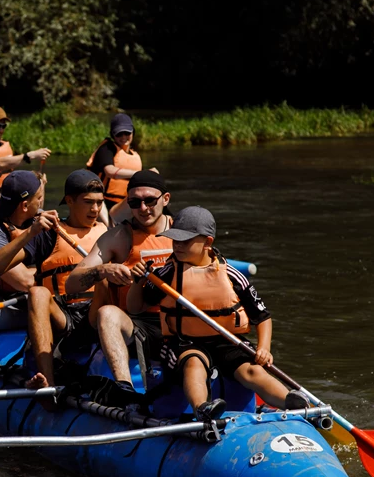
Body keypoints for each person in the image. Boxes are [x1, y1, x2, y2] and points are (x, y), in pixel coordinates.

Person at [133, 206, 308, 419]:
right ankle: (203, 408)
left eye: (185, 241)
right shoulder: (167, 273)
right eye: (174, 240)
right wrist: (138, 282)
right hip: (185, 342)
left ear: (207, 242)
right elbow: (135, 307)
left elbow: (263, 316)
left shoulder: (232, 276)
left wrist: (264, 348)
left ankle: (291, 402)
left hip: (227, 340)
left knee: (252, 370)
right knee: (194, 363)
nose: (177, 245)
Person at [65, 170, 174, 391]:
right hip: (137, 325)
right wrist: (103, 270)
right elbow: (71, 284)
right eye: (134, 202)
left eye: (150, 201)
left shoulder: (184, 231)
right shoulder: (117, 237)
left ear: (165, 199)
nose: (143, 208)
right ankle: (124, 387)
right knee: (107, 313)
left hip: (178, 322)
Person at [23, 170, 109, 389]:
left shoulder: (109, 234)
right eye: (88, 202)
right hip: (62, 314)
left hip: (96, 312)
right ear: (69, 201)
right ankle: (47, 382)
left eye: (100, 203)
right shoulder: (49, 233)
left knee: (106, 278)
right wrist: (30, 232)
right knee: (37, 292)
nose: (95, 209)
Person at [0, 170, 56, 348]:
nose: (41, 203)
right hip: (5, 306)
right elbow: (25, 282)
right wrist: (52, 269)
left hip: (44, 303)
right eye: (39, 198)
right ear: (25, 205)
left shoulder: (40, 218)